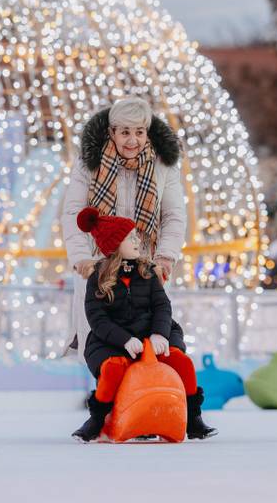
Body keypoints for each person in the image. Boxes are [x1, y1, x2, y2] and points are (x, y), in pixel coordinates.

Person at [71, 207, 216, 442]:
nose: (138, 240)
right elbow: (97, 319)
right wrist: (124, 340)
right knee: (113, 368)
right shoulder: (98, 278)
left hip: (152, 333)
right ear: (115, 243)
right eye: (130, 237)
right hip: (111, 339)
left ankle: (194, 417)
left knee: (180, 361)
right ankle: (97, 418)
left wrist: (160, 334)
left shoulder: (147, 271)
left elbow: (162, 306)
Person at [61, 97, 186, 364]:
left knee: (151, 333)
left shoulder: (163, 165)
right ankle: (99, 394)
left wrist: (165, 256)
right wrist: (82, 258)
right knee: (101, 338)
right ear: (112, 133)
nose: (133, 141)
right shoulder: (89, 164)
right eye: (125, 132)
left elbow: (174, 215)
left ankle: (148, 393)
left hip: (145, 265)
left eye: (139, 132)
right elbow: (73, 213)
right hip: (100, 264)